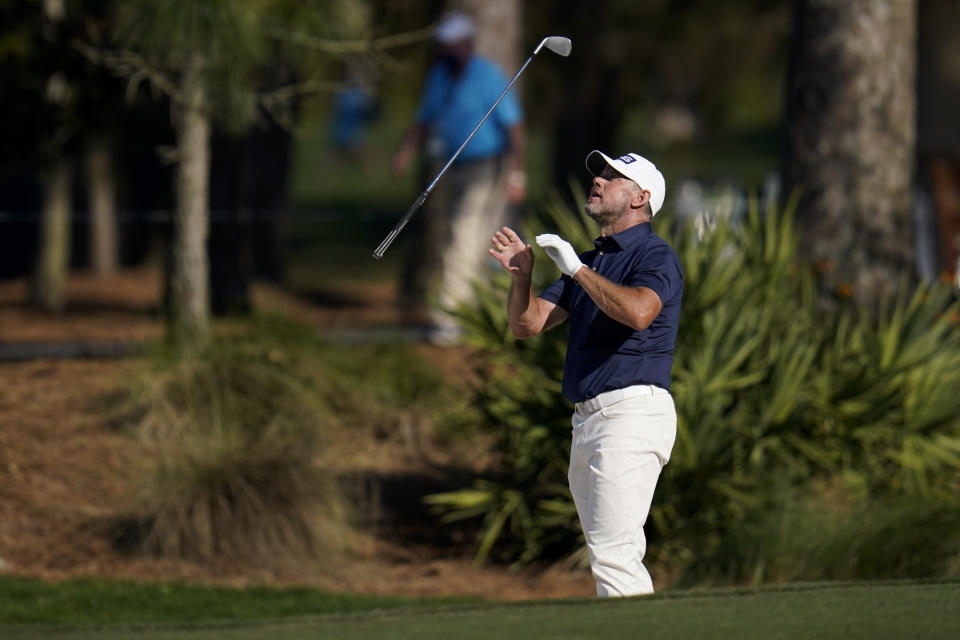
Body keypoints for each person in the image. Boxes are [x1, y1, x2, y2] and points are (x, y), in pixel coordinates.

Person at [488, 150, 683, 597]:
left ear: (641, 198)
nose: (598, 180)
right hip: (589, 421)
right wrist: (523, 278)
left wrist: (575, 269)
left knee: (615, 556)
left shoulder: (655, 255)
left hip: (632, 412)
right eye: (600, 173)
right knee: (606, 555)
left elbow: (637, 312)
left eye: (614, 176)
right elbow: (528, 324)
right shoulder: (592, 260)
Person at [392, 11, 526, 343]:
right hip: (449, 169)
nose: (447, 51)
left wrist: (518, 175)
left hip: (485, 168)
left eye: (452, 44)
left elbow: (514, 127)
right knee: (462, 240)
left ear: (466, 43)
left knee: (464, 238)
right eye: (443, 45)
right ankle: (477, 312)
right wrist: (406, 153)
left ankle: (450, 320)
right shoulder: (439, 76)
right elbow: (424, 118)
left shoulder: (488, 76)